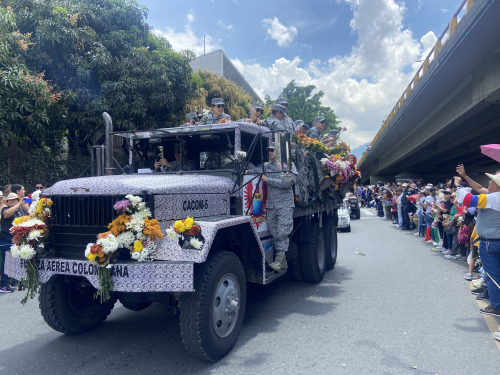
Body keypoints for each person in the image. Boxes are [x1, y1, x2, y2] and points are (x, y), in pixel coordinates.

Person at [456, 173, 500, 317]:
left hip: (490, 243)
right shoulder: (492, 197)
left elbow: (467, 199)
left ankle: (497, 306)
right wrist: (466, 177)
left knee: (493, 275)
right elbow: (480, 188)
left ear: (497, 186)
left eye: (492, 181)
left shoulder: (492, 198)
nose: (489, 182)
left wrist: (458, 185)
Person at [256, 142, 297, 272]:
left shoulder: (287, 165)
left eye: (272, 150)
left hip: (284, 203)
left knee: (283, 231)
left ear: (279, 151)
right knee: (273, 231)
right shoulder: (266, 166)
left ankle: (280, 258)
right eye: (269, 150)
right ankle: (282, 260)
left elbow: (287, 183)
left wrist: (267, 179)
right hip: (271, 204)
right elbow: (253, 171)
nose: (270, 152)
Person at [0, 193, 26, 293]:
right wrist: (19, 203)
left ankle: (15, 282)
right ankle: (4, 285)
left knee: (16, 261)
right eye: (10, 200)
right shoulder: (5, 209)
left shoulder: (20, 211)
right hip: (6, 238)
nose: (12, 201)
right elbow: (7, 214)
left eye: (14, 199)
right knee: (6, 262)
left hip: (17, 239)